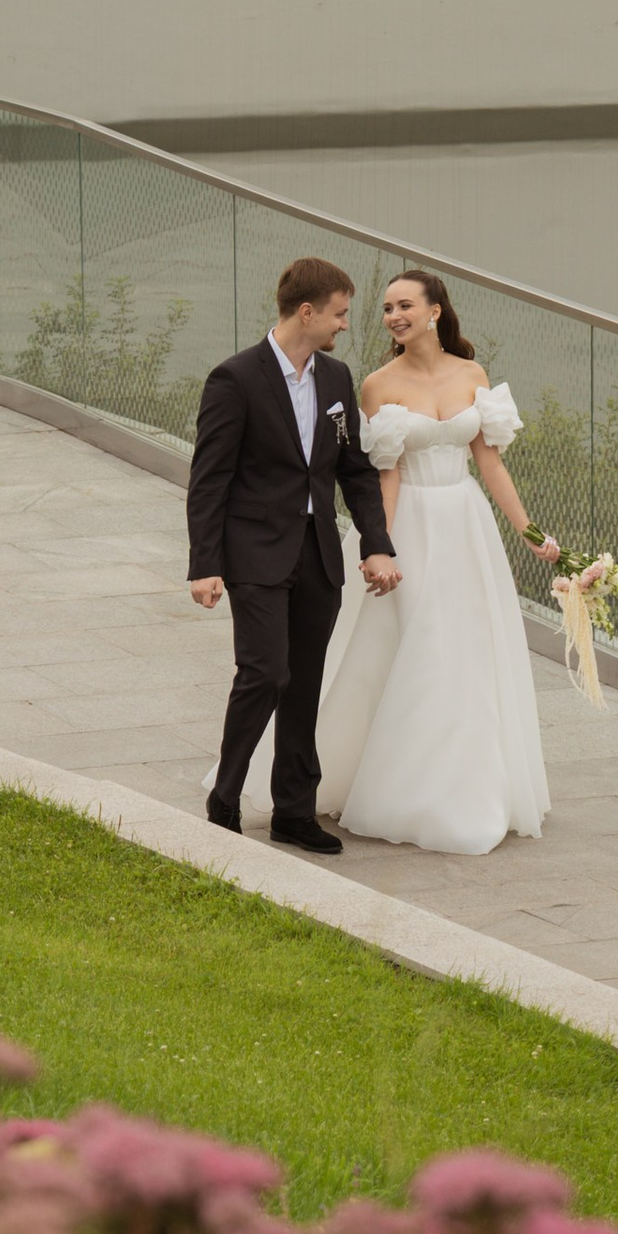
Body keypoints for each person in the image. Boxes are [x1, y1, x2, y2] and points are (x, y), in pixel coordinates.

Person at [312, 267, 556, 859]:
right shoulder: (376, 385)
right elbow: (384, 477)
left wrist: (531, 533)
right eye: (387, 308)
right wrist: (381, 548)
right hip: (411, 526)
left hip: (466, 524)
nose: (394, 316)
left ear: (435, 311)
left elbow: (490, 463)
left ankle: (469, 783)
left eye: (405, 305)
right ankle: (397, 782)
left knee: (468, 649)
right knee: (406, 649)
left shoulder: (473, 374)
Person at [187, 255, 400, 855]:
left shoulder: (335, 380)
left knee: (304, 683)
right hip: (254, 553)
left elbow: (355, 472)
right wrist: (205, 564)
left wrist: (376, 544)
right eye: (338, 314)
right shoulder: (234, 379)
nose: (344, 326)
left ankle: (294, 811)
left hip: (317, 557)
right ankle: (225, 796)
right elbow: (209, 481)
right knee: (265, 672)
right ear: (306, 312)